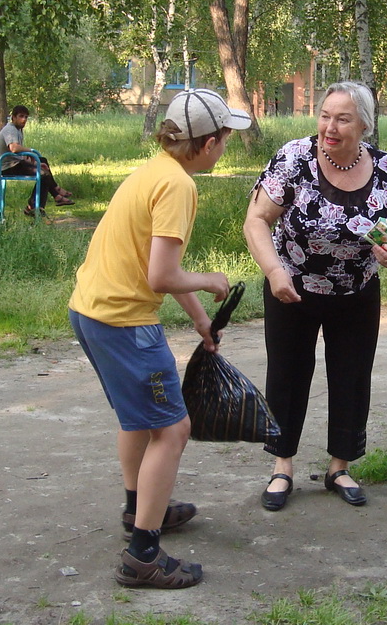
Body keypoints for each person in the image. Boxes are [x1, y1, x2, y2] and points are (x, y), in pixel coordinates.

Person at [67, 88, 251, 589]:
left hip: (90, 311)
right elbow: (162, 276)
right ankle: (143, 555)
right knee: (171, 429)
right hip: (124, 322)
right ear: (209, 143)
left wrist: (200, 320)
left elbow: (156, 265)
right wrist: (210, 280)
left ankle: (139, 510)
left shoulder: (154, 171)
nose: (225, 147)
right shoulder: (178, 186)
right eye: (225, 139)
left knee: (138, 419)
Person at [244, 80, 387, 511]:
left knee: (352, 376)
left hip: (357, 290)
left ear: (364, 126)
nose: (330, 127)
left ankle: (340, 467)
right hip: (292, 287)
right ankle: (282, 467)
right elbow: (256, 220)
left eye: (342, 119)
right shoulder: (294, 158)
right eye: (325, 116)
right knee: (287, 374)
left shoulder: (386, 168)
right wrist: (274, 271)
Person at [0, 104, 73, 216]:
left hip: (16, 163)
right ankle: (35, 207)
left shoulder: (18, 130)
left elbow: (18, 154)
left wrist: (35, 162)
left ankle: (55, 194)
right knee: (43, 174)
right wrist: (31, 151)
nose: (24, 120)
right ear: (13, 117)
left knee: (42, 161)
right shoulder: (10, 129)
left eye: (26, 117)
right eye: (21, 116)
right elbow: (14, 148)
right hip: (8, 167)